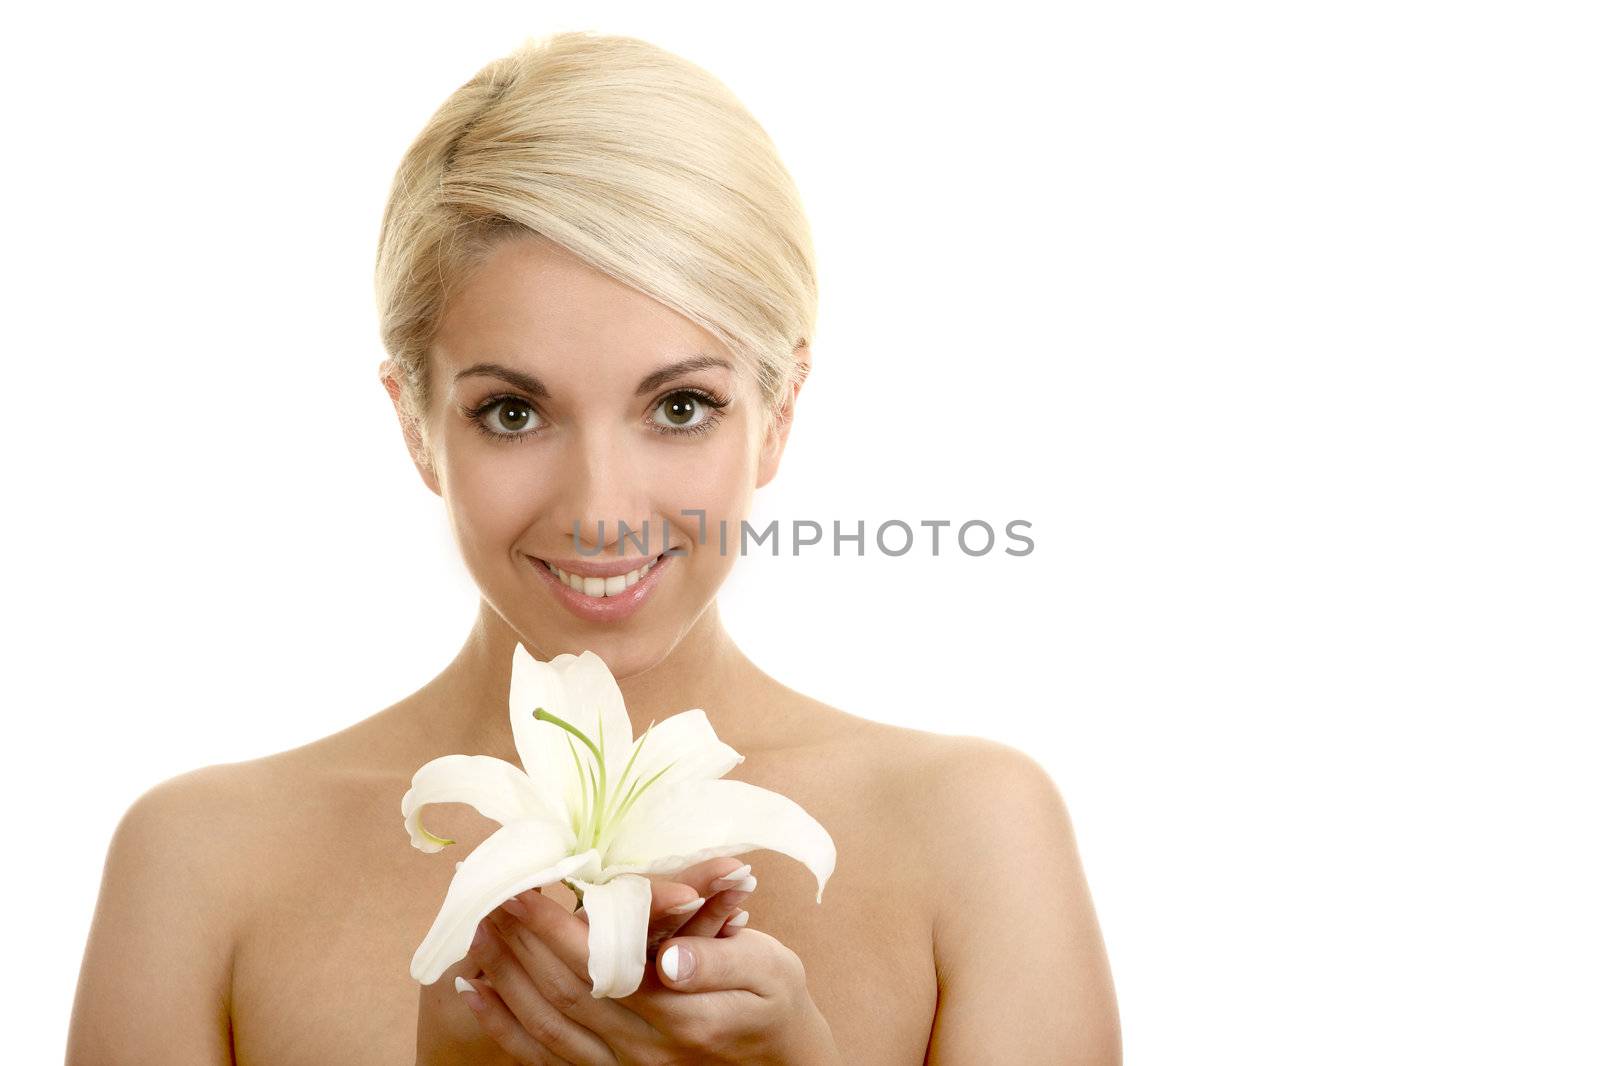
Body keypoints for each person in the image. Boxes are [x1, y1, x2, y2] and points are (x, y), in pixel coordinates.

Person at [66, 30, 1120, 1065]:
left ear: (781, 412)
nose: (601, 509)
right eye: (513, 414)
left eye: (680, 405)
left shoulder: (979, 842)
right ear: (414, 424)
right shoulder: (202, 869)